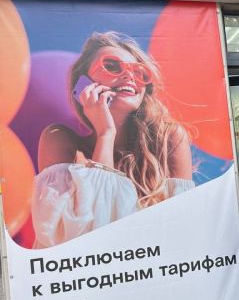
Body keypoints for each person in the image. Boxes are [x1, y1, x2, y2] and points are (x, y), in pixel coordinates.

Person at [33, 31, 193, 246]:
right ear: (83, 83)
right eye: (111, 65)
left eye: (139, 71)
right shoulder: (59, 140)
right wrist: (105, 134)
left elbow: (184, 229)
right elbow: (81, 237)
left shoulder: (168, 139)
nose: (130, 76)